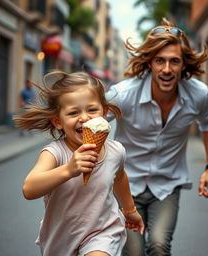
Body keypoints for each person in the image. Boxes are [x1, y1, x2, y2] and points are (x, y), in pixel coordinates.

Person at [106, 17, 208, 256]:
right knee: (134, 252)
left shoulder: (197, 94)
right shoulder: (123, 94)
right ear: (149, 62)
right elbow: (92, 121)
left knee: (159, 246)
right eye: (160, 60)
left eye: (174, 61)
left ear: (184, 65)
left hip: (167, 185)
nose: (167, 69)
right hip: (125, 185)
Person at [13, 71, 144, 256]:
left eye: (92, 110)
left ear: (104, 113)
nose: (84, 118)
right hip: (60, 238)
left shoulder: (116, 151)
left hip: (102, 231)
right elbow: (29, 188)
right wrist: (68, 169)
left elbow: (120, 178)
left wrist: (129, 210)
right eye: (73, 112)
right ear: (58, 121)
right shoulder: (55, 153)